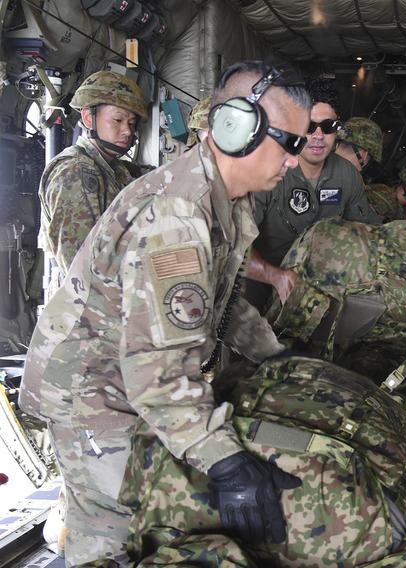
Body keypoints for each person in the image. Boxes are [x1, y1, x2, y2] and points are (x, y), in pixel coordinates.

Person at [20, 61, 310, 566]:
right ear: (236, 129)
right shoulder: (176, 216)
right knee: (117, 532)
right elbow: (156, 368)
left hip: (126, 378)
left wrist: (274, 355)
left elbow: (218, 301)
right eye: (290, 142)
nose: (295, 159)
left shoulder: (227, 201)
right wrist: (225, 460)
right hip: (90, 388)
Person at [245, 79, 379, 310]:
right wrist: (275, 276)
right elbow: (235, 243)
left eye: (327, 127)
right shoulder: (267, 171)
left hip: (321, 293)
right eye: (309, 126)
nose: (318, 136)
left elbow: (367, 234)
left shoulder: (347, 176)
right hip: (261, 291)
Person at [38, 70, 148, 296]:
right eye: (117, 120)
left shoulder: (114, 169)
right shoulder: (75, 172)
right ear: (89, 118)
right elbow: (82, 269)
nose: (127, 130)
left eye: (131, 123)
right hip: (84, 313)